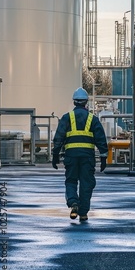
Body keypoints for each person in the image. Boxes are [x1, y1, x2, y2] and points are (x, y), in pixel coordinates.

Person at [51, 87, 108, 222]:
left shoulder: (67, 118)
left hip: (71, 156)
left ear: (74, 102)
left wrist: (55, 155)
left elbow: (58, 137)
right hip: (87, 157)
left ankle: (73, 203)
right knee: (86, 183)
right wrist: (104, 157)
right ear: (86, 102)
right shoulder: (92, 119)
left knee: (71, 181)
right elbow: (101, 139)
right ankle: (83, 213)